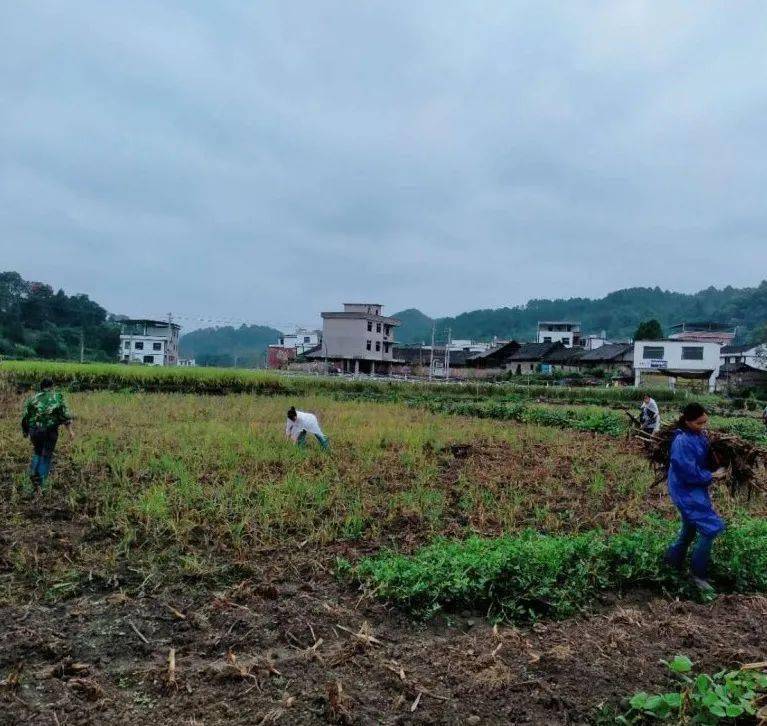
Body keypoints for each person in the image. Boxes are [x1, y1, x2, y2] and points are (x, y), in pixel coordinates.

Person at [663, 403, 727, 593]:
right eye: (699, 423)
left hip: (696, 490)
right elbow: (688, 472)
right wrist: (714, 475)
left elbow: (705, 458)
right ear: (688, 421)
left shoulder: (699, 436)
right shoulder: (681, 442)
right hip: (686, 491)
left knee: (689, 532)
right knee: (711, 528)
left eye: (705, 422)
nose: (703, 426)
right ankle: (697, 575)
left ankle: (670, 565)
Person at [21, 378, 74, 492]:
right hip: (49, 431)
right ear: (52, 386)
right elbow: (65, 415)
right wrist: (70, 431)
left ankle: (32, 475)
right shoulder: (57, 397)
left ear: (41, 387)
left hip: (34, 430)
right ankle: (41, 484)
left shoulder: (32, 398)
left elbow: (25, 416)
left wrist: (26, 432)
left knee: (37, 451)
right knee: (46, 454)